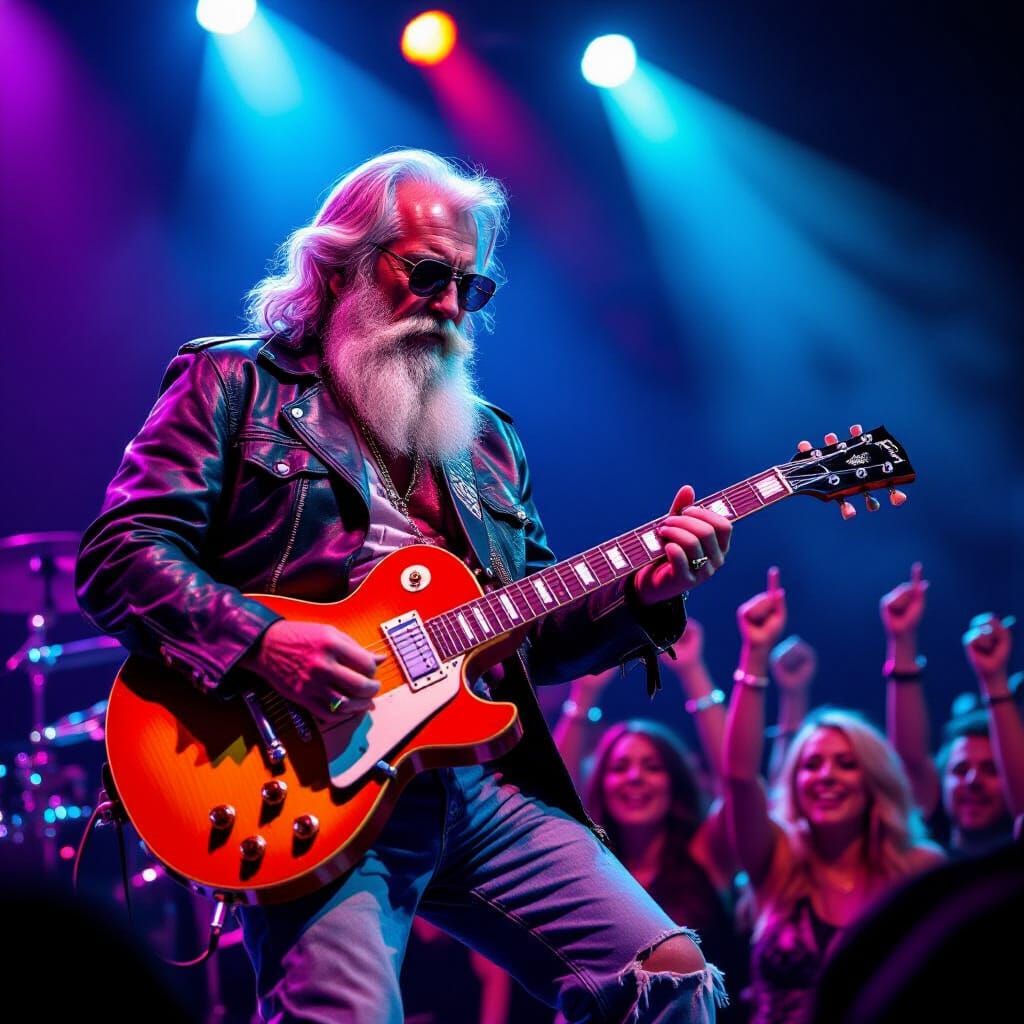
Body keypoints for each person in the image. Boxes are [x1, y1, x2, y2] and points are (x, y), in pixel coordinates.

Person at [76, 150, 733, 1024]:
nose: (452, 306)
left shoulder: (486, 441)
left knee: (671, 980)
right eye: (429, 273)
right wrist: (264, 644)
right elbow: (121, 553)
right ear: (339, 263)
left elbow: (529, 632)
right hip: (307, 776)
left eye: (472, 287)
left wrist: (643, 595)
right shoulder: (233, 382)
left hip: (478, 784)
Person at [721, 566, 944, 1024]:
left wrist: (902, 645)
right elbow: (741, 780)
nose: (826, 776)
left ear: (874, 783)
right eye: (812, 764)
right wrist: (755, 653)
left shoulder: (918, 867)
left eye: (846, 764)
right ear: (795, 784)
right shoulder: (777, 861)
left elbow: (913, 764)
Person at [880, 563, 1024, 855]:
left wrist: (994, 680)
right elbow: (911, 761)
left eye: (991, 769)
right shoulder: (930, 855)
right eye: (959, 769)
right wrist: (901, 640)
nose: (973, 782)